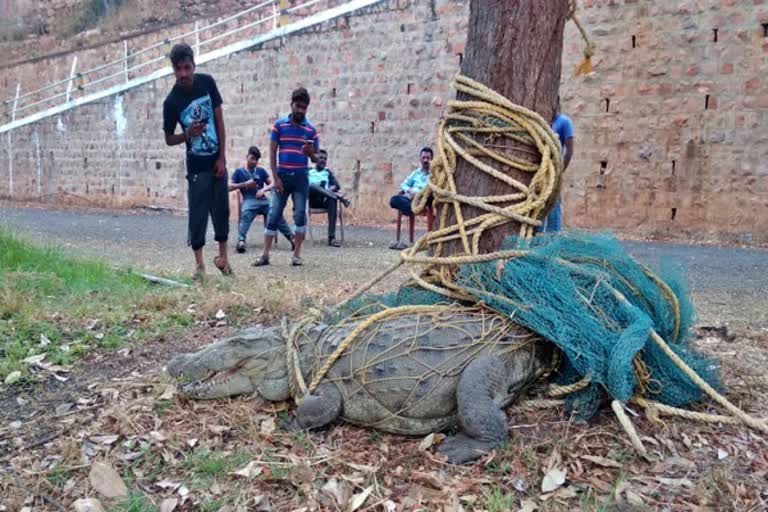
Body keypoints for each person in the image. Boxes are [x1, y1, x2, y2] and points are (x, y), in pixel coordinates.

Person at [162, 42, 231, 280]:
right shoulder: (171, 102)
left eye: (187, 67)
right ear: (173, 69)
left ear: (193, 65)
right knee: (198, 214)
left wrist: (222, 157)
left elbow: (220, 121)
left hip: (216, 161)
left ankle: (224, 260)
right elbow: (169, 139)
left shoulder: (207, 83)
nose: (183, 74)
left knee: (221, 210)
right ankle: (200, 266)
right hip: (196, 167)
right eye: (178, 69)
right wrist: (187, 134)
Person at [253, 87, 319, 267]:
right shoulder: (279, 126)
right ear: (291, 105)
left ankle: (296, 255)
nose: (300, 110)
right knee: (273, 213)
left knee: (299, 215)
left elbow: (318, 160)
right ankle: (265, 255)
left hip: (300, 179)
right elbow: (273, 152)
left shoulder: (311, 130)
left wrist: (311, 153)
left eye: (304, 108)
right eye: (298, 106)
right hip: (281, 176)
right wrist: (275, 178)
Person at [229, 146, 295, 253]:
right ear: (247, 157)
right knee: (245, 213)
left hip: (263, 200)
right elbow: (228, 187)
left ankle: (292, 239)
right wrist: (245, 184)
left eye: (256, 160)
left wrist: (263, 190)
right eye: (252, 158)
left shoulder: (261, 171)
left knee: (275, 212)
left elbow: (274, 183)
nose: (254, 161)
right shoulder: (239, 172)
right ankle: (241, 241)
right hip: (249, 199)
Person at [538, 97, 574, 233]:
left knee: (554, 204)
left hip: (554, 171)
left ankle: (553, 237)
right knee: (539, 206)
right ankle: (537, 238)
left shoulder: (564, 122)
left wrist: (559, 172)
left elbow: (569, 151)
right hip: (540, 172)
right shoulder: (541, 121)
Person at [388, 147, 433, 250]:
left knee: (430, 196)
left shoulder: (434, 174)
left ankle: (409, 209)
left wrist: (419, 193)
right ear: (420, 159)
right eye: (424, 158)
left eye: (428, 158)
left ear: (432, 159)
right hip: (410, 199)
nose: (426, 160)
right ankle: (410, 209)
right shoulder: (416, 173)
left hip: (424, 199)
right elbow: (403, 184)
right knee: (393, 200)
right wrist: (409, 191)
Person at [308, 149, 350, 247]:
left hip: (324, 199)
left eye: (325, 159)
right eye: (321, 158)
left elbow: (337, 185)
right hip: (312, 199)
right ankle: (342, 199)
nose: (323, 160)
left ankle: (331, 238)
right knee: (313, 186)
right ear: (315, 159)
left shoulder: (327, 172)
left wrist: (330, 188)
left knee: (332, 200)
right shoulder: (309, 171)